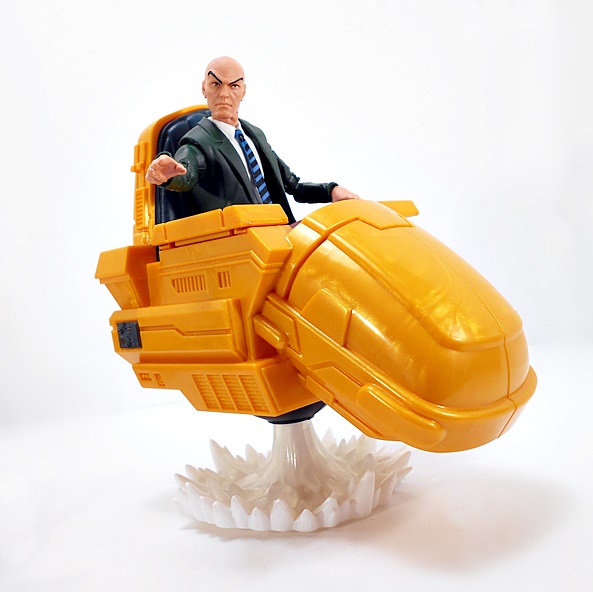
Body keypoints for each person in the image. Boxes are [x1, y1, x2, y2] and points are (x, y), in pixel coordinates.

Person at [145, 56, 359, 224]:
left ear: (243, 91)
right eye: (216, 84)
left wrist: (331, 191)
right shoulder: (198, 141)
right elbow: (187, 170)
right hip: (241, 239)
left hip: (280, 230)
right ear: (204, 89)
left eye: (233, 86)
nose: (224, 94)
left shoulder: (254, 135)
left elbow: (293, 186)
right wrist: (169, 175)